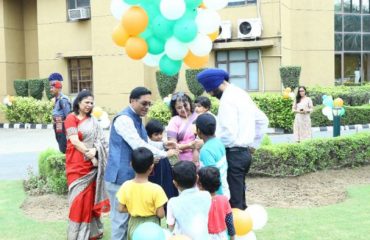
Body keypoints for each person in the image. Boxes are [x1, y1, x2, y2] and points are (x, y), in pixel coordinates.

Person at [104, 87, 178, 240]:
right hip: (119, 178)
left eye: (149, 104)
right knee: (120, 222)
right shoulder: (124, 119)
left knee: (129, 223)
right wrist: (165, 154)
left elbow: (146, 142)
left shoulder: (136, 118)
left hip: (129, 178)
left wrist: (164, 145)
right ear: (132, 100)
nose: (147, 107)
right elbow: (138, 144)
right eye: (144, 103)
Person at [197, 68, 269, 210]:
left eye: (210, 91)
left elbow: (228, 134)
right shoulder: (241, 94)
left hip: (233, 155)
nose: (211, 95)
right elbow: (263, 120)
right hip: (244, 154)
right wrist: (253, 145)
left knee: (234, 203)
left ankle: (236, 231)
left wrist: (209, 143)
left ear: (214, 86)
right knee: (240, 198)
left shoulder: (227, 100)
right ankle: (242, 229)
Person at [64, 90, 110, 240]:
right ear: (78, 102)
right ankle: (76, 234)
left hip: (91, 167)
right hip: (76, 165)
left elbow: (102, 142)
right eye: (86, 102)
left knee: (90, 199)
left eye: (91, 103)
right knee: (78, 201)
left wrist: (95, 151)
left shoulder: (94, 122)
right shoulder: (71, 118)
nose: (89, 105)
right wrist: (89, 153)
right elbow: (74, 140)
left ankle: (92, 232)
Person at [116, 147, 168, 240]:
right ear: (152, 167)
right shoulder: (156, 189)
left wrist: (134, 208)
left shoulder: (125, 186)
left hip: (134, 224)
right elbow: (161, 214)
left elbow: (120, 208)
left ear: (131, 165)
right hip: (152, 225)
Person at [166, 161, 211, 240]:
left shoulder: (172, 202)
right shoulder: (206, 195)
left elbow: (170, 226)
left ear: (175, 183)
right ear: (197, 178)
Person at [196, 113, 229, 199]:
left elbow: (211, 177)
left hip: (215, 196)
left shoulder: (205, 150)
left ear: (198, 131)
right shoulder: (219, 142)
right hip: (224, 190)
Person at [198, 167, 236, 240]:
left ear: (200, 184)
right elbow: (229, 221)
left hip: (204, 235)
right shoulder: (224, 199)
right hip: (221, 236)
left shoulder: (199, 201)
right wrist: (232, 237)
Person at [145, 119, 178, 200]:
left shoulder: (166, 145)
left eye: (160, 134)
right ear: (149, 136)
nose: (159, 136)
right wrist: (151, 161)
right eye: (156, 134)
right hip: (154, 176)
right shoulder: (147, 147)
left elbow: (174, 161)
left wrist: (174, 155)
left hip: (167, 175)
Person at [167, 92, 199, 163]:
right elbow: (172, 146)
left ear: (190, 103)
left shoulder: (198, 117)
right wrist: (188, 145)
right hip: (184, 162)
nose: (183, 109)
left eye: (185, 105)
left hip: (201, 159)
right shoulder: (174, 121)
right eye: (179, 108)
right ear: (175, 109)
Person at [49, 72, 71, 153]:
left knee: (63, 146)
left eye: (52, 88)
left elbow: (68, 116)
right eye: (50, 88)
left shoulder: (63, 100)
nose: (50, 90)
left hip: (62, 126)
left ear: (58, 88)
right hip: (58, 125)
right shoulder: (56, 99)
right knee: (60, 144)